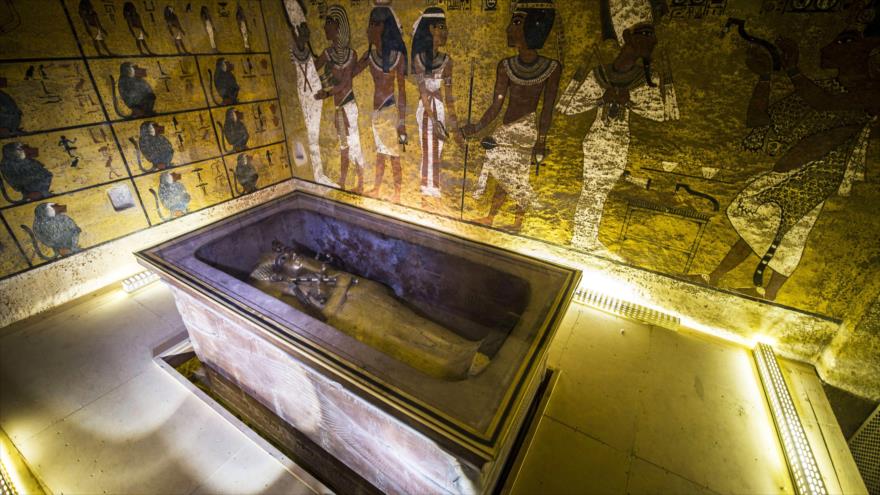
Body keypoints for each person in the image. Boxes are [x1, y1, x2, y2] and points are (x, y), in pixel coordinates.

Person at [684, 26, 879, 301]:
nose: (830, 49)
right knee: (765, 223)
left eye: (844, 42)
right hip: (793, 169)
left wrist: (792, 69)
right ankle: (729, 281)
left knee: (782, 227)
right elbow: (758, 119)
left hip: (818, 175)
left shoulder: (870, 90)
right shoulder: (822, 88)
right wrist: (764, 78)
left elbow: (825, 103)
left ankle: (755, 288)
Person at [556, 0, 678, 252]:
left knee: (600, 191)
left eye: (652, 35)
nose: (651, 41)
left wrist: (629, 101)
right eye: (645, 34)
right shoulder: (600, 74)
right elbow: (569, 107)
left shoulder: (647, 78)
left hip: (620, 142)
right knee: (592, 190)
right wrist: (601, 98)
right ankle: (582, 238)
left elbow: (660, 114)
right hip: (597, 141)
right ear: (627, 37)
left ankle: (586, 236)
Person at [461, 2, 561, 231]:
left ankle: (517, 223)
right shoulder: (505, 66)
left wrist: (541, 141)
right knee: (500, 175)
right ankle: (491, 217)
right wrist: (477, 127)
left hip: (526, 130)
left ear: (534, 26)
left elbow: (547, 108)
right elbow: (497, 104)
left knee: (518, 178)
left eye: (516, 22)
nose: (509, 29)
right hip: (505, 130)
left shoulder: (551, 67)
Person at [307, 5, 367, 193]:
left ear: (338, 27)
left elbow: (345, 83)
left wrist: (327, 93)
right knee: (343, 145)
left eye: (328, 24)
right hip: (339, 107)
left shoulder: (351, 55)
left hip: (348, 104)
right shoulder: (328, 53)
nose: (325, 28)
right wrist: (303, 48)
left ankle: (361, 182)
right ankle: (342, 181)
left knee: (354, 143)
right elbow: (312, 68)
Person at [354, 6, 407, 202]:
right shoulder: (370, 56)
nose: (369, 29)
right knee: (380, 154)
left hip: (389, 110)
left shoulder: (397, 57)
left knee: (393, 155)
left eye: (373, 25)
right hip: (376, 114)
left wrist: (401, 122)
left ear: (384, 28)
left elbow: (402, 91)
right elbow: (352, 72)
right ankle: (377, 189)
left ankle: (398, 195)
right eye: (370, 24)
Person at [411, 7, 462, 198]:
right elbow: (423, 92)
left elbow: (449, 96)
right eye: (442, 27)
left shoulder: (447, 61)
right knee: (427, 148)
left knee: (437, 149)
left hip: (438, 107)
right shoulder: (419, 59)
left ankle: (434, 188)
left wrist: (454, 126)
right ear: (430, 29)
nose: (446, 32)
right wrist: (433, 120)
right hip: (426, 109)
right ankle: (427, 188)